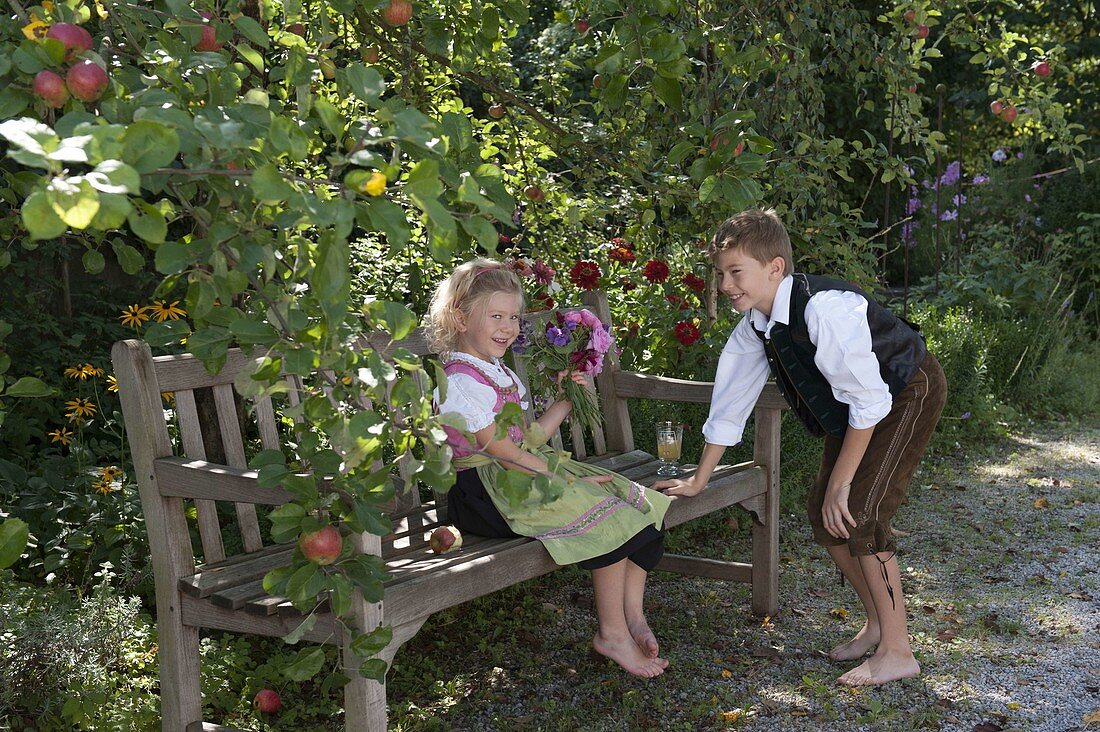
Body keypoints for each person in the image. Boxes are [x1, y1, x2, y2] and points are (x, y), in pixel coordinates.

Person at [655, 209, 946, 686]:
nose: (725, 284)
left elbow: (870, 400)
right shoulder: (756, 324)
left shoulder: (823, 309)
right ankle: (876, 624)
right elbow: (731, 401)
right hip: (862, 408)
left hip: (906, 389)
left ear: (775, 268)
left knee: (859, 513)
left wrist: (843, 482)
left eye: (736, 272)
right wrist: (699, 478)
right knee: (823, 514)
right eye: (720, 273)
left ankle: (899, 651)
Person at [426, 257, 672, 678]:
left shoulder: (499, 374)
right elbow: (501, 450)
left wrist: (564, 396)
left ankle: (632, 617)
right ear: (460, 318)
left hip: (519, 476)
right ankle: (611, 633)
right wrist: (559, 477)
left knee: (638, 502)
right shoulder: (461, 381)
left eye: (514, 317)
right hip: (486, 494)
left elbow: (529, 439)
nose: (508, 327)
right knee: (604, 513)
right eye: (496, 316)